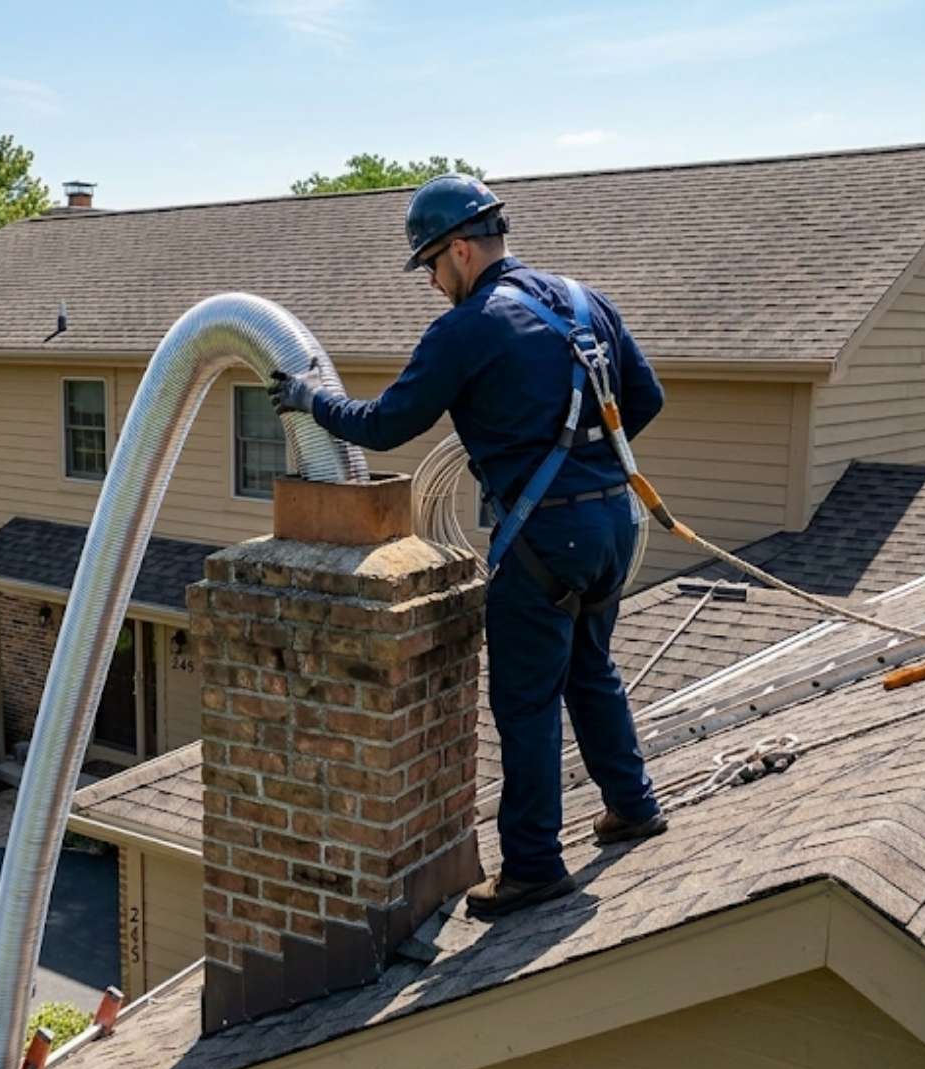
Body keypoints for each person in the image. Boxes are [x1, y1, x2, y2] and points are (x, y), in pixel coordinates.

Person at [269, 173, 669, 919]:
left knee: (525, 702)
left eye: (430, 266)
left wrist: (308, 399)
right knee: (591, 669)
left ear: (459, 250)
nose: (431, 282)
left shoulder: (470, 326)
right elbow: (645, 400)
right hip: (614, 521)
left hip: (545, 536)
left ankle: (534, 867)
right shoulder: (585, 302)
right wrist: (580, 463)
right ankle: (633, 804)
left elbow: (386, 424)